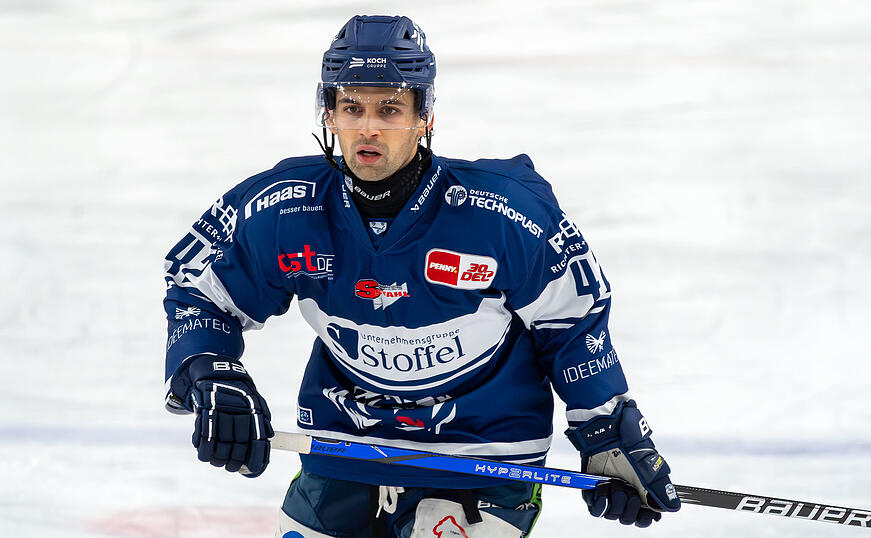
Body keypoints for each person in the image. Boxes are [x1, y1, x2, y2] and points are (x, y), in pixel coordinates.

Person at [162, 14, 680, 538]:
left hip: (483, 450)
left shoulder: (500, 212)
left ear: (424, 116)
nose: (368, 127)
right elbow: (199, 291)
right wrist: (210, 373)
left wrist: (606, 428)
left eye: (389, 109)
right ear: (329, 114)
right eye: (352, 108)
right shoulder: (285, 208)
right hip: (351, 440)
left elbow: (571, 321)